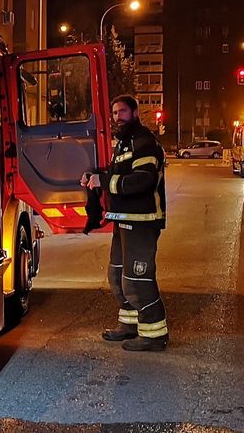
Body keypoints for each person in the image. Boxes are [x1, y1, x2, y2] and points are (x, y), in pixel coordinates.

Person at [81, 95, 169, 352]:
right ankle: (130, 325)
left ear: (135, 112)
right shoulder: (124, 144)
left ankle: (154, 336)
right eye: (115, 112)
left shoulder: (144, 142)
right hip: (123, 221)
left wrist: (104, 181)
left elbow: (143, 180)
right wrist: (94, 175)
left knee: (136, 280)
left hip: (142, 222)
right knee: (117, 276)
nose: (117, 117)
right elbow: (119, 173)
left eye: (122, 112)